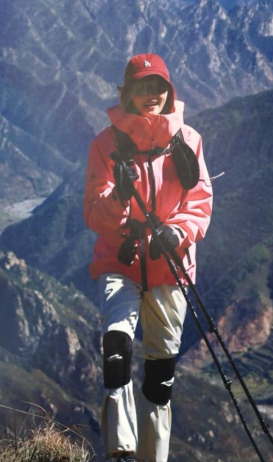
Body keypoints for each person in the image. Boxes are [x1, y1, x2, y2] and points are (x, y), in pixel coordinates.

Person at [83, 53, 213, 462]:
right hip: (119, 260)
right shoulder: (106, 145)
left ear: (168, 91)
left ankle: (151, 456)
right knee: (116, 343)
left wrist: (178, 232)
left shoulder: (188, 141)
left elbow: (200, 202)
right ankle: (121, 451)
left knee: (159, 377)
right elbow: (94, 214)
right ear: (128, 93)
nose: (151, 94)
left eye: (158, 87)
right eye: (142, 87)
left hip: (170, 266)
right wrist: (120, 199)